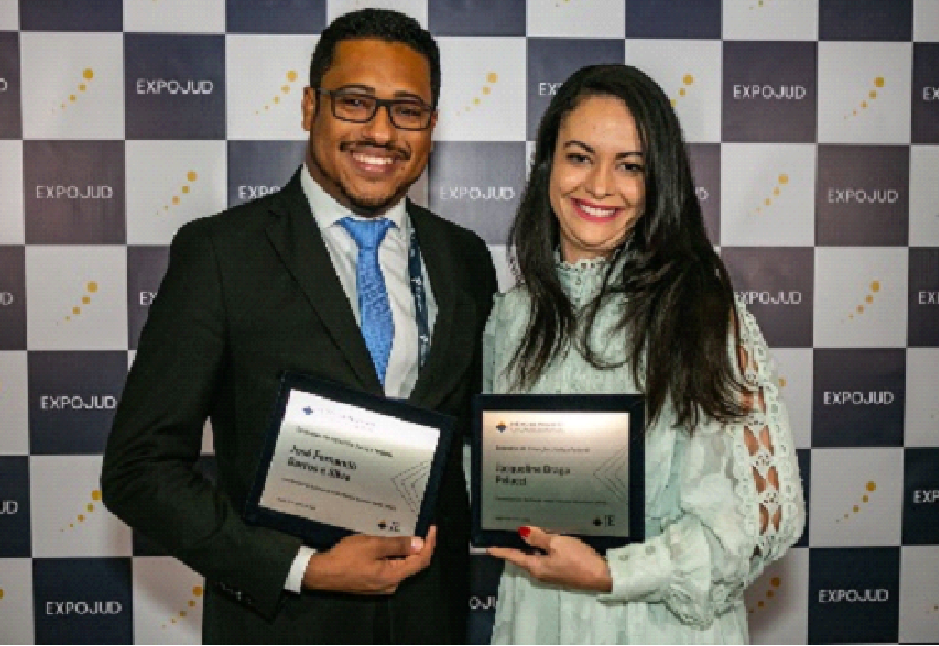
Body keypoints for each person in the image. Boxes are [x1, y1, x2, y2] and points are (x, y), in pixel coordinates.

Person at [102, 9, 497, 644]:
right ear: (311, 105)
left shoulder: (465, 259)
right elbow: (138, 468)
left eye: (408, 110)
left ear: (431, 124)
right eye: (355, 102)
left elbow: (478, 438)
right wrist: (301, 568)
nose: (381, 131)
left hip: (429, 623)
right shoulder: (221, 254)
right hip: (282, 627)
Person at [482, 64, 805, 644]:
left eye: (630, 165)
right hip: (535, 622)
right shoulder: (510, 318)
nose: (600, 185)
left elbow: (763, 522)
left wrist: (613, 573)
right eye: (579, 156)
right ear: (547, 166)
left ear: (659, 183)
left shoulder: (702, 313)